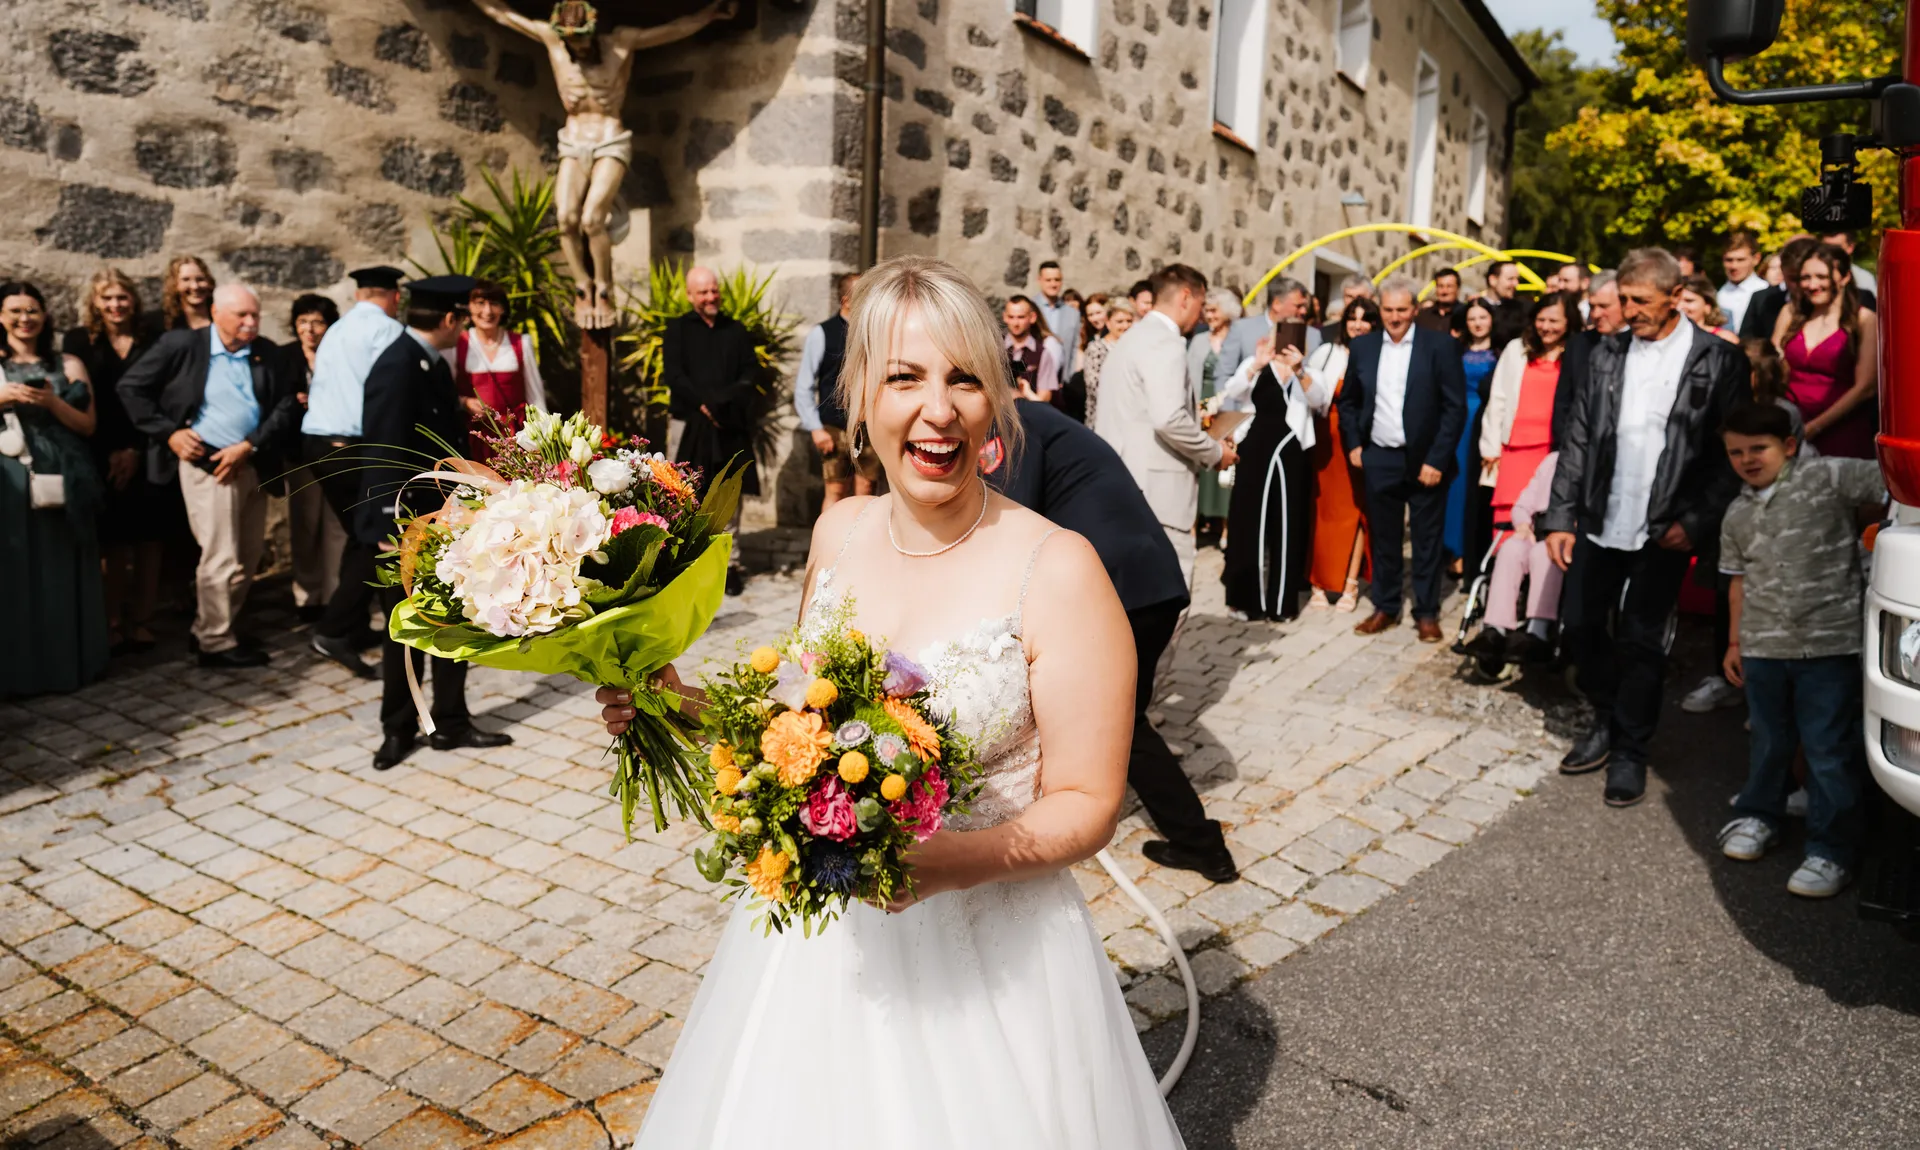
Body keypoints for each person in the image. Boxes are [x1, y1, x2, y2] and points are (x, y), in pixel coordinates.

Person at [599, 255, 1185, 1148]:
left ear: (998, 401)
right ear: (860, 395)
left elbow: (1089, 804)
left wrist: (947, 864)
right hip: (821, 951)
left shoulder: (1058, 568)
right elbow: (793, 729)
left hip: (997, 958)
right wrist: (675, 707)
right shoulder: (836, 534)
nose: (938, 409)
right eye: (905, 377)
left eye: (965, 379)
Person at [990, 395, 1236, 881]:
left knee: (1120, 726)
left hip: (1122, 591)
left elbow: (1011, 519)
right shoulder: (1040, 419)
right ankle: (1188, 837)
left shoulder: (1015, 424)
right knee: (1124, 725)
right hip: (1149, 582)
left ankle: (1201, 845)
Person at [1543, 248, 1748, 807]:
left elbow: (1731, 455)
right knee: (1581, 627)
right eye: (1622, 299)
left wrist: (1696, 520)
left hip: (1664, 527)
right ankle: (1606, 716)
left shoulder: (1716, 360)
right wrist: (1560, 516)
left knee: (1642, 639)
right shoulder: (1606, 354)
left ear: (1675, 297)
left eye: (1639, 301)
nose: (1626, 310)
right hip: (1598, 516)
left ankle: (1630, 748)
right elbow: (1579, 439)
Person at [1715, 402, 1886, 898]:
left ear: (1788, 446)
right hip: (1764, 647)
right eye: (1736, 452)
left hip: (1829, 645)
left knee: (1828, 749)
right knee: (1769, 741)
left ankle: (1832, 850)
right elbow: (1738, 583)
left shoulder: (1828, 477)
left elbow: (1893, 481)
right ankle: (1759, 815)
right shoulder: (1737, 513)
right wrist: (1734, 641)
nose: (1748, 459)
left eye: (1759, 448)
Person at [356, 275, 515, 770]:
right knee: (402, 630)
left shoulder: (426, 362)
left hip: (440, 520)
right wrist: (390, 526)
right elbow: (383, 454)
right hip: (403, 524)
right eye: (462, 317)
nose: (464, 325)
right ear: (449, 320)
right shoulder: (398, 366)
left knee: (453, 618)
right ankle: (398, 728)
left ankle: (450, 721)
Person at [119, 284, 299, 669]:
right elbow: (131, 387)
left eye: (255, 314)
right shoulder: (182, 345)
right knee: (221, 557)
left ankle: (220, 626)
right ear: (216, 313)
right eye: (242, 316)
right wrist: (169, 432)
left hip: (252, 461)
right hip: (209, 467)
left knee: (249, 555)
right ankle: (214, 642)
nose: (251, 323)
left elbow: (285, 404)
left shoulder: (267, 351)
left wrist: (249, 445)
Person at [1338, 275, 1467, 642]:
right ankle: (1386, 606)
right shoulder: (1363, 348)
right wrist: (1355, 445)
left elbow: (1453, 408)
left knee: (1427, 541)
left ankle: (1426, 613)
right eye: (1388, 310)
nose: (1394, 317)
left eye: (1401, 310)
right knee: (1385, 538)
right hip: (1380, 456)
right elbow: (1348, 402)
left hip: (1426, 459)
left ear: (1414, 310)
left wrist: (1438, 460)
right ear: (1381, 309)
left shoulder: (1439, 346)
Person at [1096, 263, 1233, 587]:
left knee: (1134, 592)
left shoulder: (1132, 338)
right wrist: (1214, 452)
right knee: (1171, 592)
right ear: (1186, 297)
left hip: (1122, 483)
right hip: (1158, 493)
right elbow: (1168, 418)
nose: (1202, 315)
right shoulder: (1165, 342)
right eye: (1201, 304)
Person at [1, 282, 107, 696]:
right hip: (9, 477)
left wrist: (52, 404)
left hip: (65, 475)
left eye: (32, 310)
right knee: (14, 574)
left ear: (44, 315)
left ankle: (66, 663)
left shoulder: (68, 362)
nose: (25, 318)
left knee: (59, 568)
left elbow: (88, 426)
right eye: (15, 311)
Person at [304, 266, 407, 678]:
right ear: (394, 297)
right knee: (373, 537)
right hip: (351, 447)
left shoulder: (337, 329)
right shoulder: (386, 331)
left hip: (318, 444)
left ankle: (349, 626)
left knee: (357, 535)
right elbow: (387, 396)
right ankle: (332, 630)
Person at [1466, 292, 1582, 657]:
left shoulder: (1575, 354)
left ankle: (1540, 621)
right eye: (1542, 319)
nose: (1546, 327)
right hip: (1514, 450)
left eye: (1555, 321)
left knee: (1547, 535)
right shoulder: (1517, 349)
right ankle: (1500, 620)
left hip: (1552, 453)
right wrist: (1490, 445)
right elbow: (1498, 398)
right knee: (1509, 535)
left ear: (1569, 323)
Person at [64, 269, 164, 654]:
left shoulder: (152, 338)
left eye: (122, 297)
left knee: (150, 539)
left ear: (133, 301)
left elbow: (164, 395)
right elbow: (82, 398)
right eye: (107, 298)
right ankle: (111, 621)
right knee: (112, 542)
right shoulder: (79, 341)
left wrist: (136, 450)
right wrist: (111, 452)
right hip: (99, 450)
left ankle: (142, 620)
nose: (115, 305)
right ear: (95, 303)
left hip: (148, 449)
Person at [665, 265, 763, 593]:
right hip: (689, 424)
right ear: (690, 295)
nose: (710, 296)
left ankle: (729, 565)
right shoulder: (678, 329)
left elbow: (750, 373)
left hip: (728, 424)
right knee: (686, 494)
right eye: (702, 291)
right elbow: (674, 375)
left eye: (713, 290)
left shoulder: (735, 330)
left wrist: (721, 402)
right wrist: (704, 404)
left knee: (729, 497)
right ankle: (688, 564)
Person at [1219, 333, 1314, 620]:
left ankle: (1282, 605)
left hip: (1291, 450)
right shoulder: (1255, 363)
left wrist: (1299, 370)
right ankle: (1247, 601)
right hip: (1255, 448)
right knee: (1249, 523)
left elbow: (1320, 398)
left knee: (1287, 524)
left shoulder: (1308, 368)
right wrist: (1256, 365)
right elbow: (1232, 391)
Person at [1301, 297, 1380, 611]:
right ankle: (1318, 581)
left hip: (1361, 440)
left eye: (1365, 319)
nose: (1358, 325)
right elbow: (1313, 397)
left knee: (1357, 511)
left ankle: (1350, 583)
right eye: (1352, 318)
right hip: (1327, 440)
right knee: (1322, 511)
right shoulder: (1327, 353)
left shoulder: (1380, 355)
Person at [274, 294, 346, 625]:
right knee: (304, 524)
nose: (310, 329)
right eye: (303, 321)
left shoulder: (340, 355)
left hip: (336, 451)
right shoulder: (285, 356)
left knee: (335, 525)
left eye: (317, 322)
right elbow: (275, 398)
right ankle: (307, 595)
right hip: (299, 452)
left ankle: (335, 594)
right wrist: (294, 401)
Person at [1772, 242, 1879, 459]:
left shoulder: (1865, 320)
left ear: (1845, 277)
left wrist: (1813, 428)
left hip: (1842, 430)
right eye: (1805, 277)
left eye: (1821, 276)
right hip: (1788, 430)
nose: (1812, 285)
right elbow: (1771, 366)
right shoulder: (1791, 313)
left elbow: (1865, 388)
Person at [796, 272, 880, 512]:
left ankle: (862, 546)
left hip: (869, 425)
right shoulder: (821, 333)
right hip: (833, 427)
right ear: (846, 300)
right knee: (835, 491)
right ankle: (830, 548)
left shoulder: (874, 333)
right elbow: (804, 386)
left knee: (866, 491)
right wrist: (815, 429)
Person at [1468, 452, 1564, 665]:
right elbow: (1522, 505)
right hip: (1536, 528)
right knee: (1511, 547)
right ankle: (1495, 629)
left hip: (1565, 536)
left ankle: (1538, 630)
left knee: (1543, 552)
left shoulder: (1592, 461)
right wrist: (1522, 524)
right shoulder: (1551, 461)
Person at [450, 279, 546, 457]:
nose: (487, 311)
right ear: (469, 307)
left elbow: (536, 397)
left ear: (503, 309)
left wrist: (542, 441)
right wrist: (464, 402)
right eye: (480, 303)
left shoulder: (520, 343)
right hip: (473, 437)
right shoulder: (458, 344)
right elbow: (445, 393)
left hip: (515, 437)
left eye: (494, 303)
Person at [1188, 288, 1242, 546]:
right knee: (1200, 465)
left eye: (1213, 310)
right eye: (1206, 310)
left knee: (1229, 463)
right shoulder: (1199, 341)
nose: (1208, 315)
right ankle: (1194, 529)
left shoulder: (1239, 338)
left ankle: (1227, 529)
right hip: (1203, 404)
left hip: (1229, 405)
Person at [1738, 235, 1818, 342]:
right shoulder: (1763, 300)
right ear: (1783, 270)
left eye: (1805, 277)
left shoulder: (1833, 304)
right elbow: (1747, 342)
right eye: (1794, 279)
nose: (1802, 285)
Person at [1226, 277, 1314, 371]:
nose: (1304, 311)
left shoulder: (1313, 336)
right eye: (1298, 306)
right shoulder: (1242, 329)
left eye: (1304, 306)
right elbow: (1225, 374)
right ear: (1277, 304)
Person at [1002, 294, 1063, 401]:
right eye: (1011, 317)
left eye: (1021, 317)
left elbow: (1044, 400)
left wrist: (1027, 393)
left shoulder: (1042, 353)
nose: (1016, 323)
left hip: (1030, 413)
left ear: (1032, 317)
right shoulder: (995, 347)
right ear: (1005, 317)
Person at [1082, 298, 1131, 428]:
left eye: (1129, 321)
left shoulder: (1135, 347)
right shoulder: (1096, 349)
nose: (1125, 326)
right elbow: (1095, 387)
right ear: (1108, 323)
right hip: (1104, 420)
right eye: (1119, 321)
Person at [1716, 229, 1768, 334]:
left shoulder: (1765, 292)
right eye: (1729, 260)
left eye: (1741, 260)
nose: (1734, 266)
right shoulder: (1717, 295)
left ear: (1756, 259)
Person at [159, 255, 214, 333]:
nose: (195, 286)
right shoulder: (163, 324)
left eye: (200, 279)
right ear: (174, 284)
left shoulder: (224, 317)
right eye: (186, 280)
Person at [1678, 275, 1740, 343]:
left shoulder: (1724, 339)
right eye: (1677, 301)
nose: (1680, 306)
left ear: (1708, 305)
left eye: (1689, 301)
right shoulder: (1671, 338)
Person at [1479, 260, 1526, 345]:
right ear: (1493, 280)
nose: (1516, 284)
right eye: (1510, 279)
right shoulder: (1475, 307)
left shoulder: (1521, 309)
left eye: (1517, 279)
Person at [1034, 259, 1080, 345]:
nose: (1053, 284)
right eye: (1048, 280)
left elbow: (1076, 346)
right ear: (1039, 280)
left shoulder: (1073, 313)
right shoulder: (1030, 308)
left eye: (1057, 280)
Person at [1320, 275, 1375, 345]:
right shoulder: (1327, 333)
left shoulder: (1384, 332)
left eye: (1360, 297)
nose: (1354, 301)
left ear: (1371, 298)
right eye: (1349, 296)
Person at [1416, 268, 1466, 334]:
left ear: (1458, 289)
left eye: (1449, 286)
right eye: (1440, 286)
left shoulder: (1465, 315)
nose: (1444, 291)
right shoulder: (1423, 315)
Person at [1586, 271, 1624, 335]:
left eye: (1603, 306)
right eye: (1592, 307)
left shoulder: (1641, 340)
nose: (1596, 314)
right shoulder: (1577, 342)